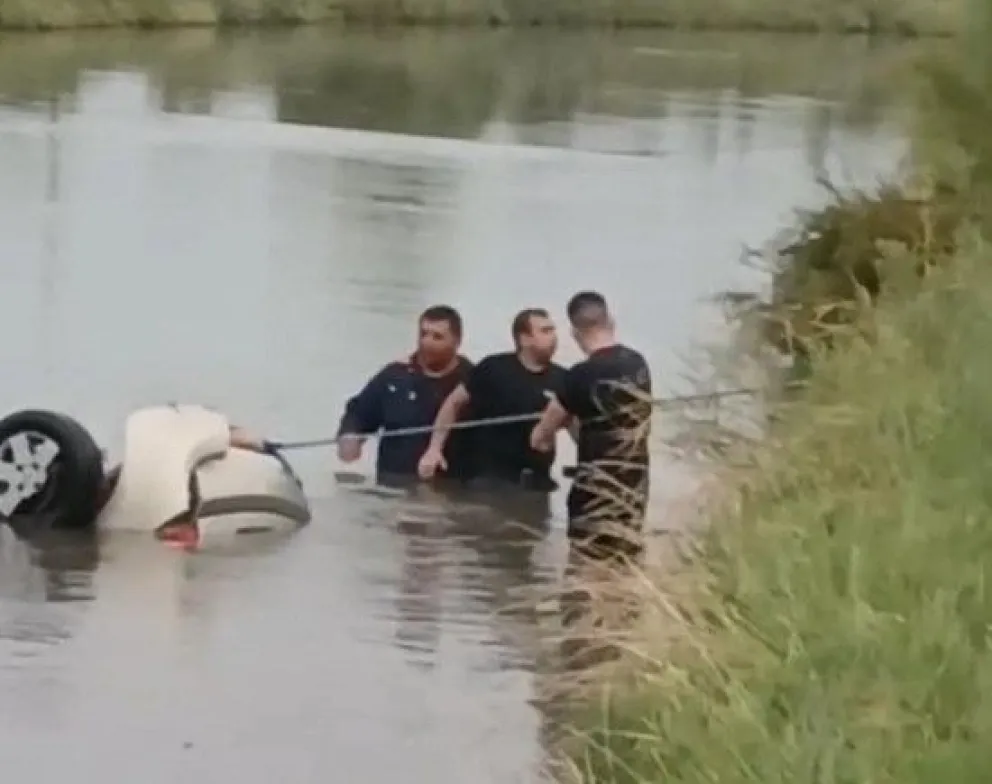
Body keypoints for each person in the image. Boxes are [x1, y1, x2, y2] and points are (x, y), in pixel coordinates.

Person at [530, 291, 652, 562]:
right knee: (625, 567)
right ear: (610, 321)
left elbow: (540, 437)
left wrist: (553, 427)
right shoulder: (638, 364)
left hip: (593, 491)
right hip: (634, 488)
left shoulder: (579, 376)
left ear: (575, 332)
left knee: (584, 573)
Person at [417, 308, 567, 501]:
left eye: (553, 330)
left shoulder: (564, 379)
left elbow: (577, 426)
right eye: (545, 331)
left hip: (536, 484)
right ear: (524, 338)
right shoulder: (494, 368)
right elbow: (453, 403)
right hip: (487, 481)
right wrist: (434, 449)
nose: (553, 337)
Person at [336, 305, 474, 485]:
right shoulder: (394, 375)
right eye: (423, 334)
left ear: (457, 341)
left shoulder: (472, 379)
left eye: (437, 337)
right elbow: (359, 413)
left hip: (449, 486)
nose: (427, 342)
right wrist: (350, 436)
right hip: (392, 485)